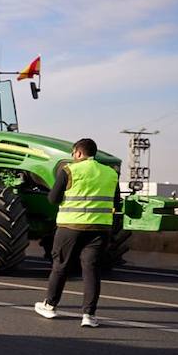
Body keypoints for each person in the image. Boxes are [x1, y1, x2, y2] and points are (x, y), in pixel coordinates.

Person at [35, 138, 121, 328]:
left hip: (70, 228)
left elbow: (53, 198)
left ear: (79, 153)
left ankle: (50, 305)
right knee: (91, 270)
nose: (73, 157)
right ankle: (89, 315)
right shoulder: (110, 173)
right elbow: (116, 202)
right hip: (100, 230)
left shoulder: (69, 170)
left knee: (61, 266)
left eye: (73, 154)